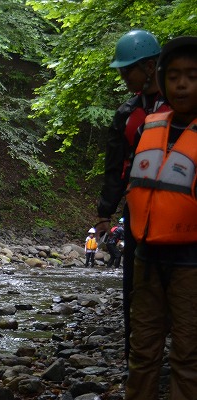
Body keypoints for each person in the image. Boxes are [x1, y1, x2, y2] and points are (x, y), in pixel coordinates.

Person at [104, 36, 197, 400]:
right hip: (145, 255)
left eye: (191, 77)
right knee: (142, 346)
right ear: (161, 77)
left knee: (188, 348)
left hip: (190, 261)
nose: (181, 85)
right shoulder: (146, 125)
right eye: (174, 76)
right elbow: (127, 179)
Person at [95, 30, 169, 359]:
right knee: (135, 285)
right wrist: (104, 212)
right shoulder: (126, 114)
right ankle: (135, 355)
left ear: (150, 66)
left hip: (182, 208)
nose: (123, 77)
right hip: (138, 209)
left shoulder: (182, 105)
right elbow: (115, 168)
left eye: (128, 71)